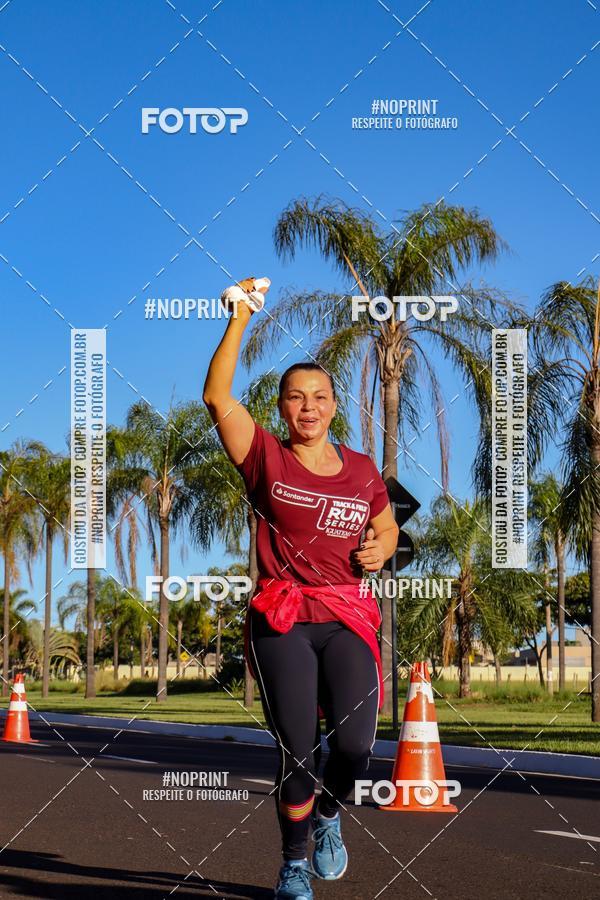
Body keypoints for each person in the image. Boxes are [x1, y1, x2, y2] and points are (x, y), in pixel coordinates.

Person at [203, 278, 399, 899]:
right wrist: (240, 317)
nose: (307, 406)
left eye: (318, 396)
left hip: (347, 615)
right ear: (282, 407)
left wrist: (383, 544)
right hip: (283, 617)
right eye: (294, 397)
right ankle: (293, 863)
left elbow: (387, 523)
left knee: (355, 743)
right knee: (296, 750)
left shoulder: (363, 469)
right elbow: (216, 397)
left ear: (335, 405)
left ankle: (330, 816)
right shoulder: (265, 457)